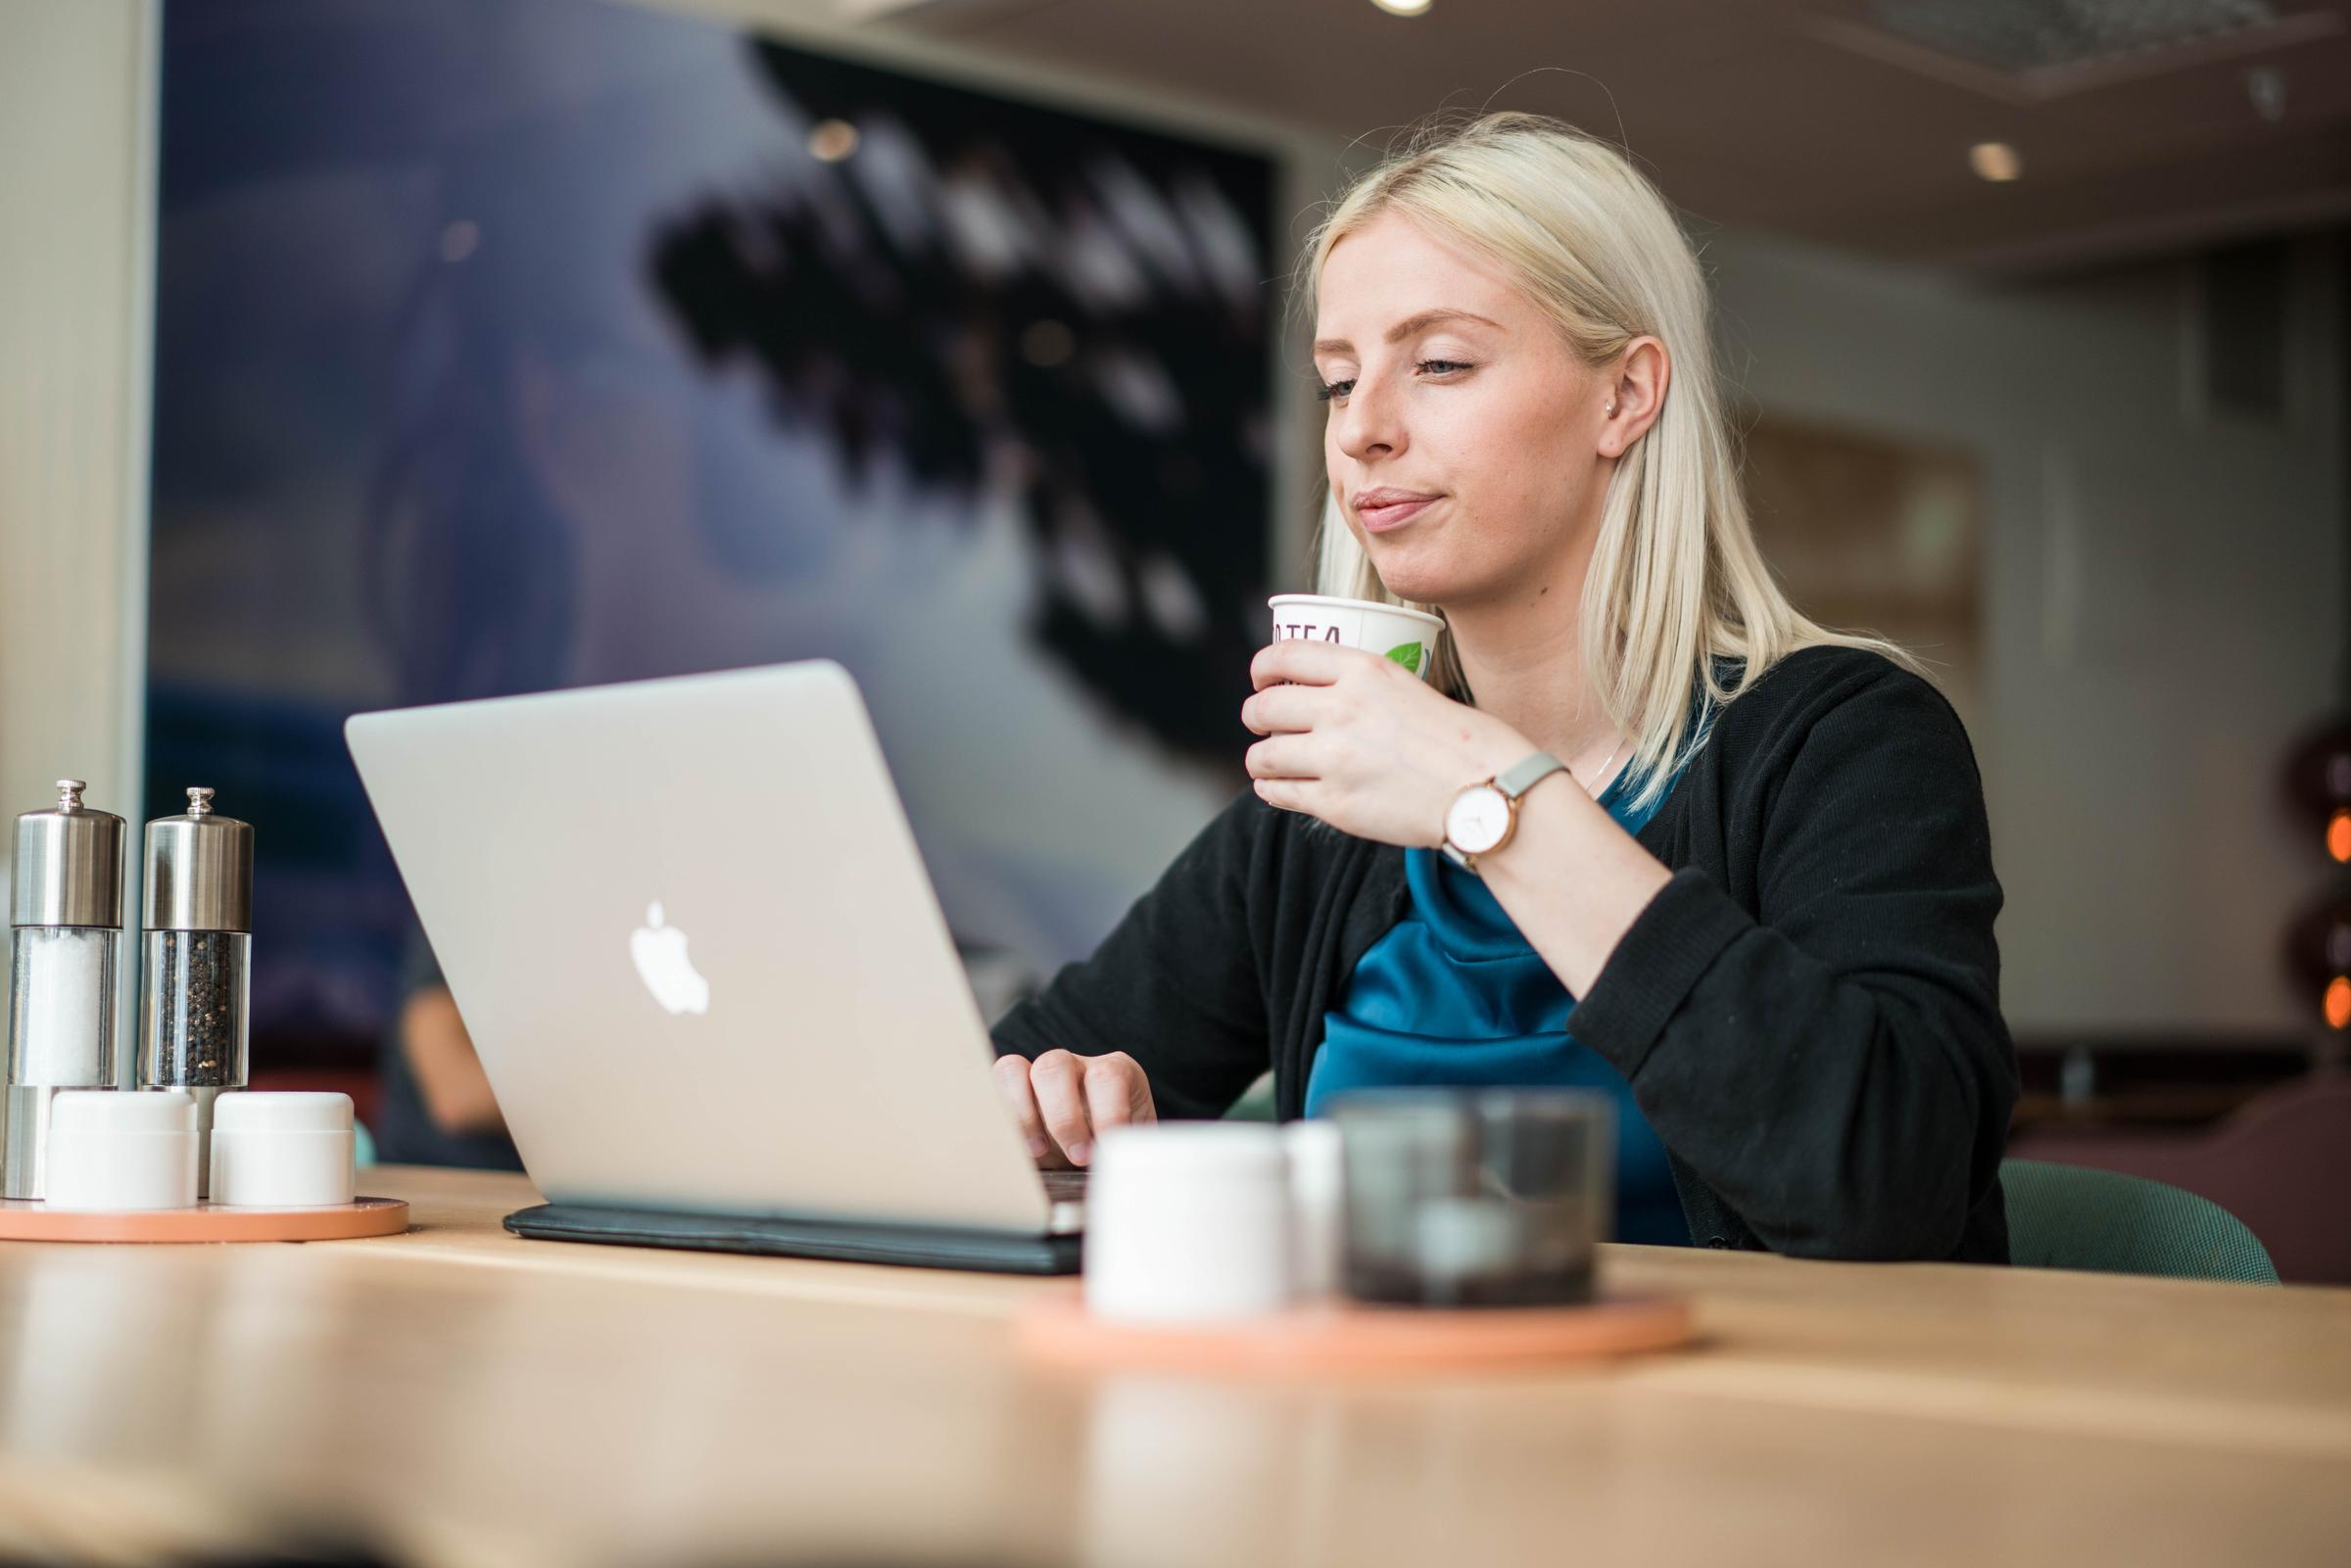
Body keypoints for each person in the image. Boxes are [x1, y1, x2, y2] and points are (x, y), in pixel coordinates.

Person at [988, 112, 2017, 1262]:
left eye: (1439, 363)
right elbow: (1012, 1084)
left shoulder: (1846, 742)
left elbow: (1889, 1179)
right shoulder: (1328, 822)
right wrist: (1046, 1107)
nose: (1363, 432)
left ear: (1624, 397)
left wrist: (1490, 796)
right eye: (1338, 381)